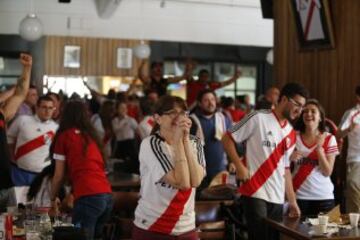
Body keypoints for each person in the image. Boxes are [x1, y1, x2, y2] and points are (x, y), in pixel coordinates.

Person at [222, 82, 308, 240]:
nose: (300, 110)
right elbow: (227, 137)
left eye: (302, 107)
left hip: (277, 196)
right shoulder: (258, 117)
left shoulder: (290, 132)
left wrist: (292, 201)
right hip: (255, 191)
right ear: (283, 99)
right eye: (297, 104)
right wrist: (239, 165)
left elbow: (286, 169)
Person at [132, 95, 206, 240]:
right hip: (154, 226)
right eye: (173, 113)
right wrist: (179, 142)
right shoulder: (151, 144)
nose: (179, 118)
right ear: (158, 118)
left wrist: (184, 140)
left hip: (186, 226)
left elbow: (196, 181)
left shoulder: (195, 142)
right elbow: (183, 184)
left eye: (183, 113)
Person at [49, 101, 113, 240]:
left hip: (88, 197)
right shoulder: (91, 136)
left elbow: (58, 175)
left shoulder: (64, 136)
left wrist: (52, 199)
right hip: (106, 196)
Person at [291, 99, 339, 216]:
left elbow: (327, 172)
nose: (309, 114)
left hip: (324, 197)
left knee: (324, 234)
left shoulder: (329, 139)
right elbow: (282, 165)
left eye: (313, 111)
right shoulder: (293, 136)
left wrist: (319, 150)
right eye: (305, 111)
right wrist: (289, 157)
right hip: (298, 196)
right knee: (297, 233)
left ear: (320, 117)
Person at [0, 53, 32, 211]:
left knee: (9, 228)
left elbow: (20, 93)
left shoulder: (2, 114)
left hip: (5, 183)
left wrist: (26, 68)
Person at [7, 95, 58, 186]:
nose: (47, 111)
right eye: (44, 107)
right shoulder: (22, 120)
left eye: (50, 108)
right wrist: (12, 158)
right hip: (19, 172)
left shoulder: (56, 128)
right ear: (37, 107)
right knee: (17, 200)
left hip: (42, 175)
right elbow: (8, 139)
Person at [190, 89, 231, 189]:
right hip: (199, 170)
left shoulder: (223, 118)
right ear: (199, 103)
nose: (211, 103)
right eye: (206, 100)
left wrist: (232, 161)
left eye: (212, 99)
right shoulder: (191, 120)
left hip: (220, 169)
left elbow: (230, 141)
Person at [336, 86, 360, 213]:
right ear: (358, 97)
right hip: (356, 159)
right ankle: (355, 222)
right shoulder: (352, 113)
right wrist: (349, 128)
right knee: (353, 184)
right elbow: (338, 135)